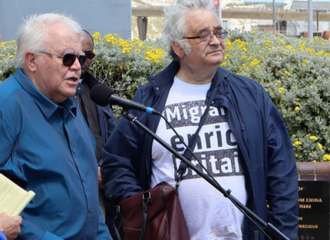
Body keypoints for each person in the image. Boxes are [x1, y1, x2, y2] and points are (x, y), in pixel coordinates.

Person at [101, 0, 298, 239]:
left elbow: (282, 174)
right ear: (179, 46)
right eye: (203, 36)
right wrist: (145, 208)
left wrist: (283, 234)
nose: (216, 41)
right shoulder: (150, 98)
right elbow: (117, 162)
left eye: (218, 32)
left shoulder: (251, 95)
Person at [0, 13, 112, 239]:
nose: (77, 67)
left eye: (82, 58)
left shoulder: (68, 104)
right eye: (67, 58)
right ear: (32, 61)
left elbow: (89, 200)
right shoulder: (7, 105)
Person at [73, 29, 118, 239]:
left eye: (88, 56)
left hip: (103, 191)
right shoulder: (56, 94)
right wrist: (91, 170)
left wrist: (105, 169)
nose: (82, 62)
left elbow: (114, 139)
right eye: (76, 55)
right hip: (74, 191)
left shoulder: (98, 92)